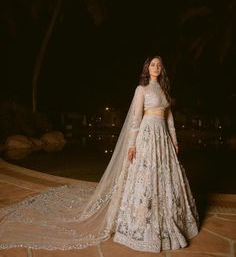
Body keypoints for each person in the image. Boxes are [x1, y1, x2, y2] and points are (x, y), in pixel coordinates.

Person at [0, 55, 199, 253]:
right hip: (147, 136)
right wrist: (132, 145)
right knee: (145, 177)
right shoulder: (142, 89)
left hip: (162, 137)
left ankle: (167, 219)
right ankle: (139, 222)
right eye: (152, 65)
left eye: (159, 65)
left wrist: (174, 139)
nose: (156, 67)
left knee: (166, 177)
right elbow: (135, 119)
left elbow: (169, 117)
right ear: (147, 69)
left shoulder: (164, 90)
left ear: (162, 70)